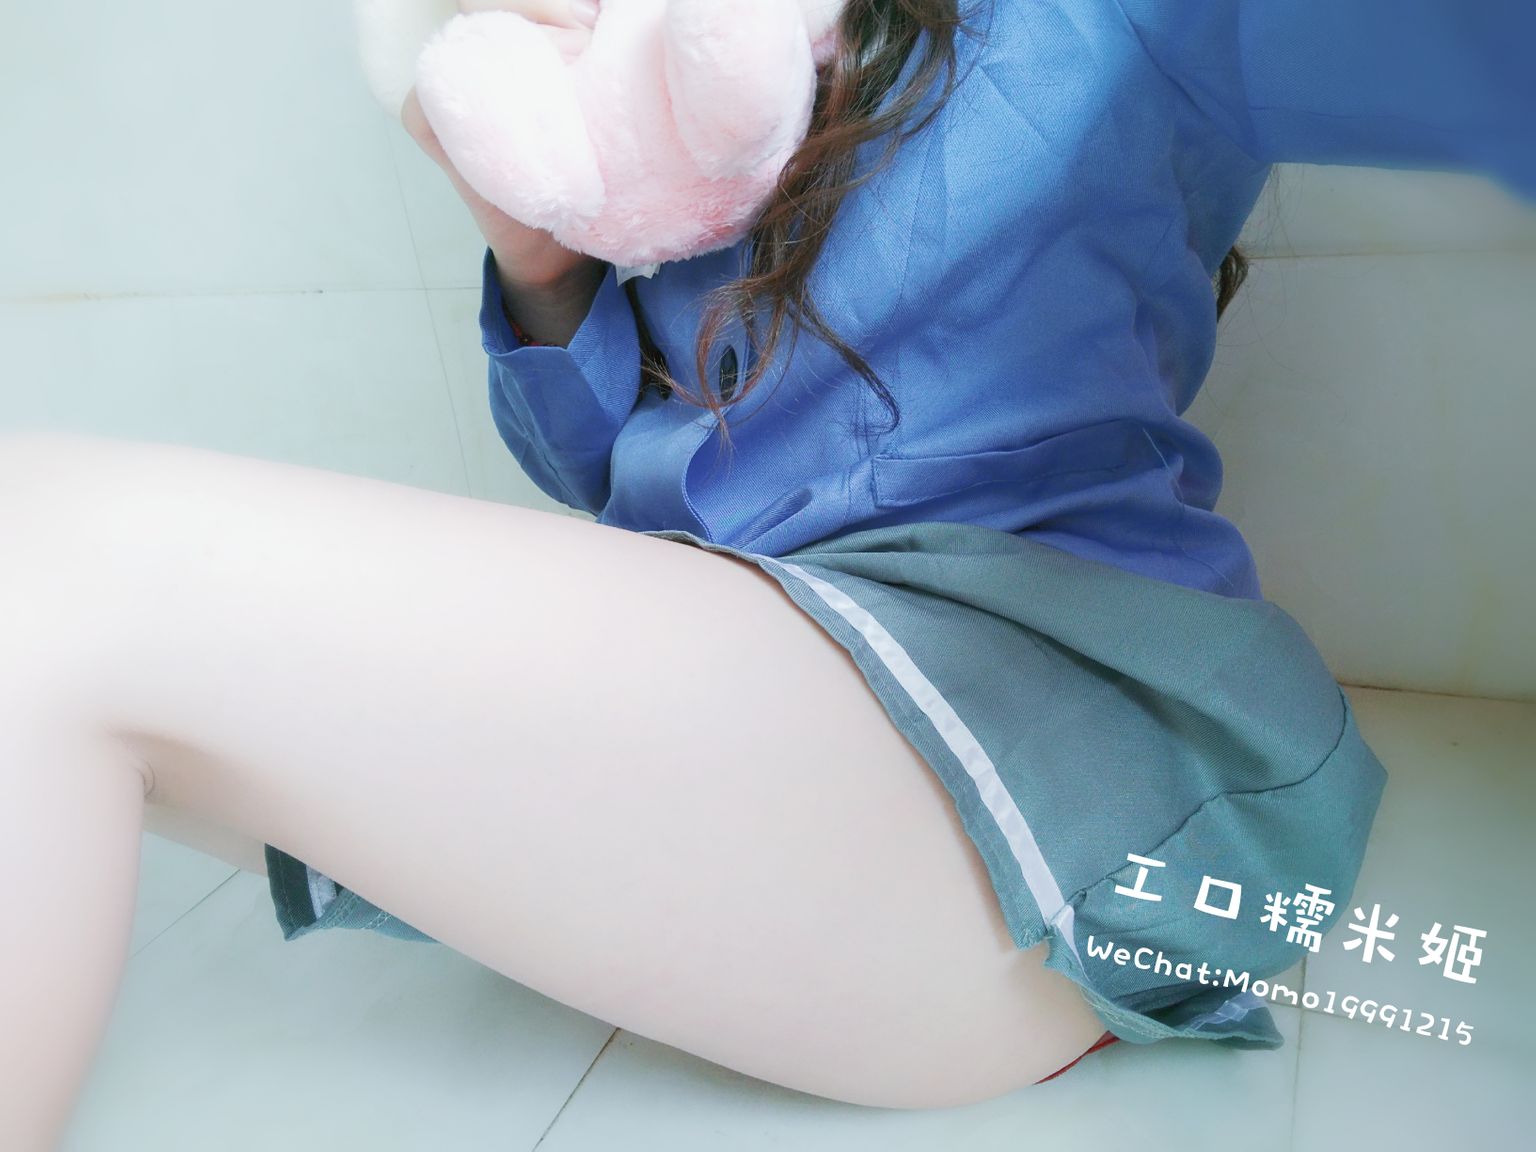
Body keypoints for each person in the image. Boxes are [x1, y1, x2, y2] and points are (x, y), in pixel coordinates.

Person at [2, 0, 1531, 1145]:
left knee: (44, 546)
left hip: (1026, 714)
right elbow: (616, 473)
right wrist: (537, 255)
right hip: (775, 705)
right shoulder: (655, 88)